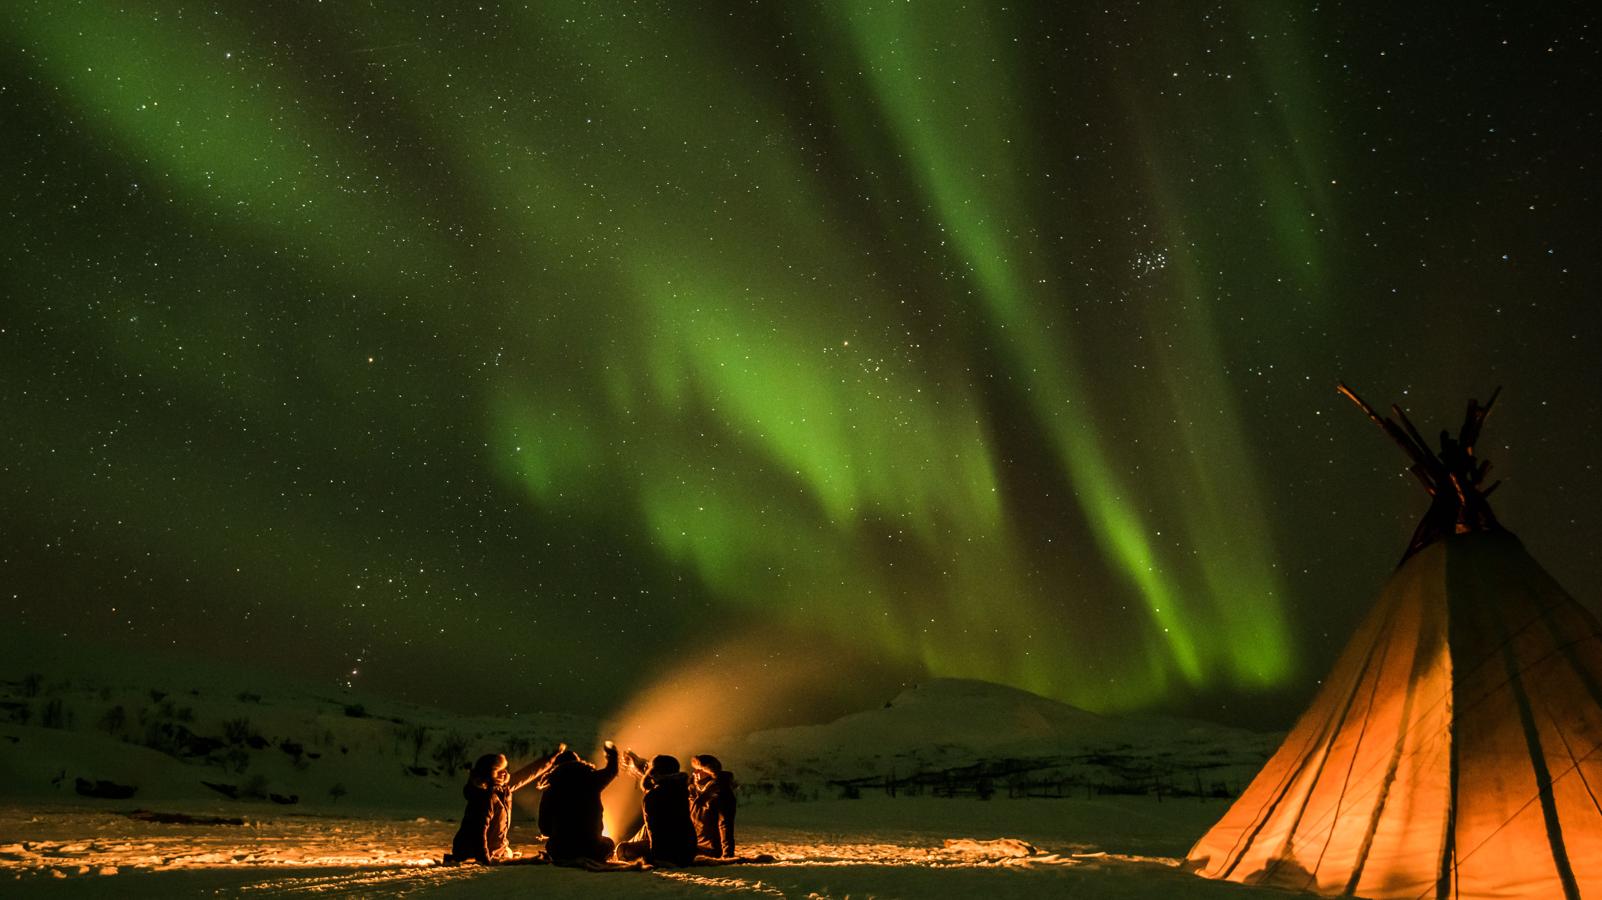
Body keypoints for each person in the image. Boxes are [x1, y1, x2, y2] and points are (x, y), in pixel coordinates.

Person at [448, 750, 550, 864]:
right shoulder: (486, 797)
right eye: (500, 770)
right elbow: (479, 831)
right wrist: (485, 860)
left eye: (504, 769)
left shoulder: (502, 789)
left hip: (495, 850)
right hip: (474, 852)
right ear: (490, 773)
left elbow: (526, 774)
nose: (505, 772)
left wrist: (551, 759)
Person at [536, 741, 619, 863]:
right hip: (592, 850)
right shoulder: (592, 780)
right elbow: (611, 771)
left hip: (561, 851)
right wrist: (612, 755)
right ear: (579, 763)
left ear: (556, 768)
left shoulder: (551, 789)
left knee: (551, 845)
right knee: (609, 843)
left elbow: (544, 828)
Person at [615, 753, 698, 866]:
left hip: (668, 853)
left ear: (653, 773)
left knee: (622, 848)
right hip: (688, 851)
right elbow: (660, 777)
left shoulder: (653, 796)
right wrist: (638, 764)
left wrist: (658, 858)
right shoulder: (683, 789)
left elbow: (654, 829)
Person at [689, 754, 737, 858]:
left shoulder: (720, 792)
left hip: (710, 849)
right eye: (695, 770)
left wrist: (727, 855)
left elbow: (725, 825)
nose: (695, 773)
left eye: (699, 770)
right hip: (695, 845)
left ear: (710, 772)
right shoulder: (694, 790)